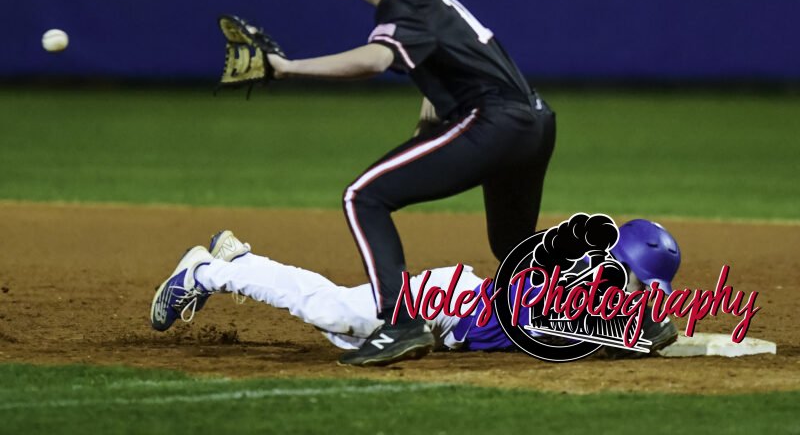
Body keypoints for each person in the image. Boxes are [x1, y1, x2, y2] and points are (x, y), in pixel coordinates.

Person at [254, 0, 557, 366]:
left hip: (495, 122)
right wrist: (424, 136)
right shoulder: (421, 0)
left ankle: (401, 323)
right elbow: (444, 72)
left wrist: (287, 68)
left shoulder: (404, 4)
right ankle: (612, 309)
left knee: (364, 196)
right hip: (534, 121)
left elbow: (377, 61)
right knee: (514, 248)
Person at [149, 220, 681, 361]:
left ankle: (239, 261)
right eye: (633, 279)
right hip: (443, 305)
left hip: (452, 306)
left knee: (337, 318)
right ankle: (207, 271)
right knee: (334, 311)